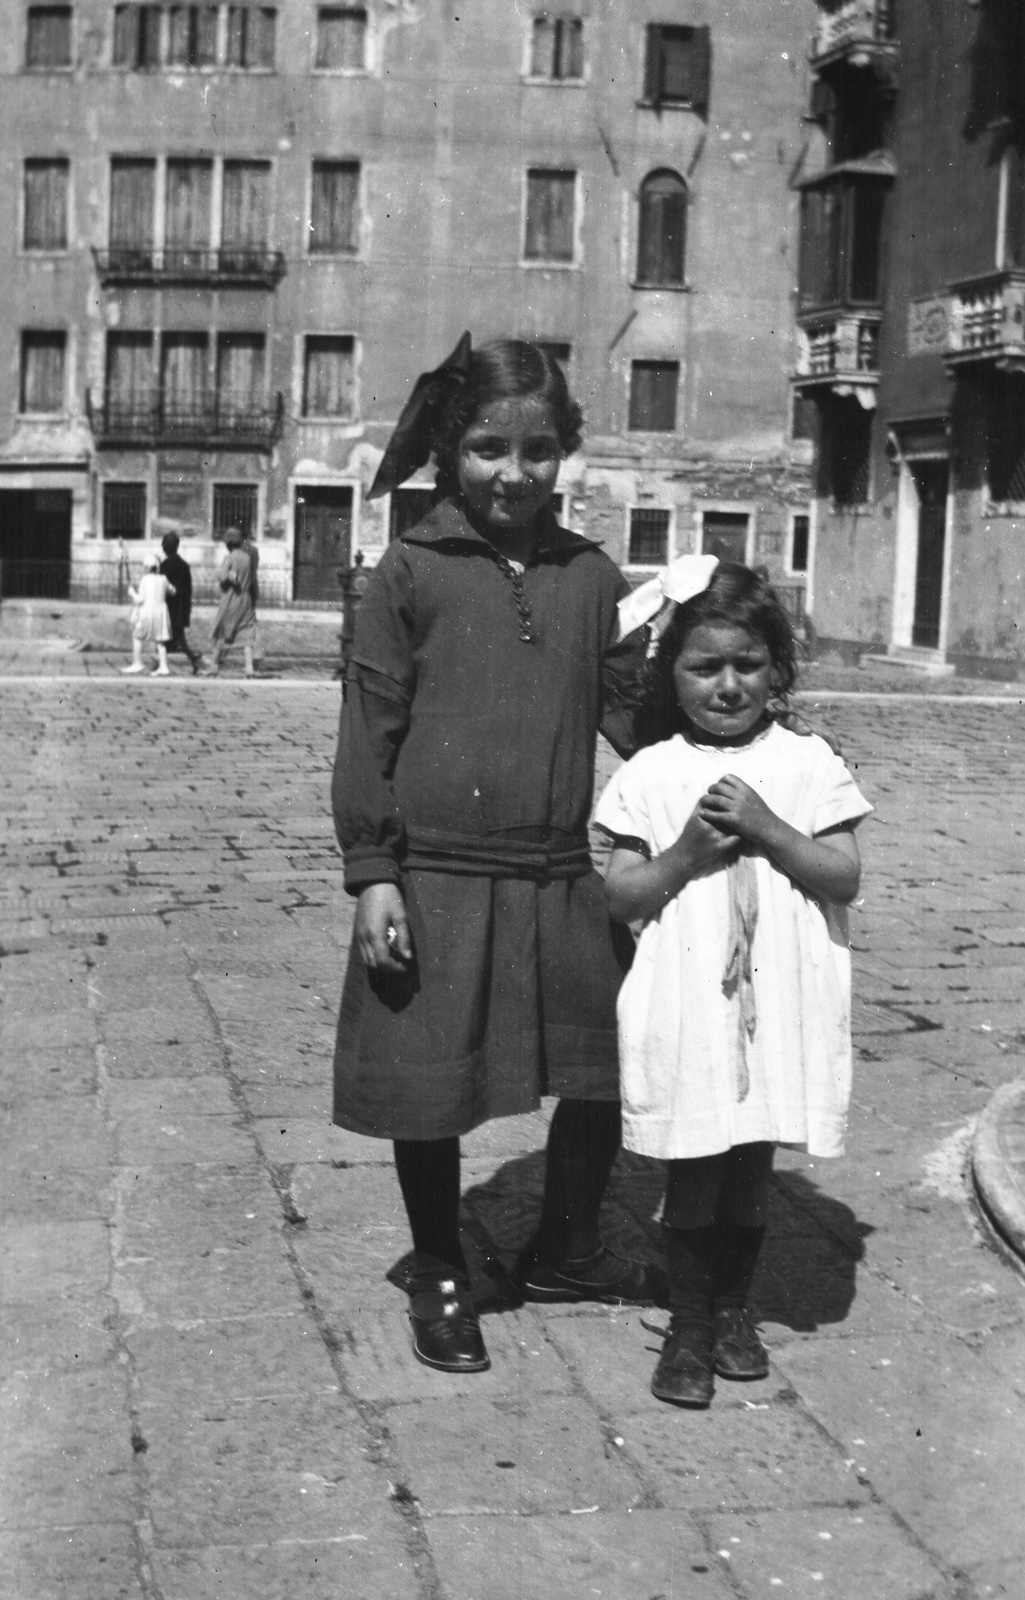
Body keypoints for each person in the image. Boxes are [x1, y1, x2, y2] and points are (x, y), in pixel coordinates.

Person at [332, 335, 661, 1376]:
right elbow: (368, 729)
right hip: (436, 871)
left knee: (601, 1068)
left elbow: (629, 725)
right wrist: (373, 871)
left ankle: (564, 1238)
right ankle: (435, 1262)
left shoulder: (592, 574)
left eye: (534, 450)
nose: (511, 473)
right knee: (427, 1078)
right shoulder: (409, 569)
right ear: (446, 450)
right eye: (485, 449)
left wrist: (684, 655)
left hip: (563, 873)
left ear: (565, 451)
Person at [594, 559, 872, 1408]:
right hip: (689, 999)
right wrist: (684, 854)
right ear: (669, 674)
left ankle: (732, 1308)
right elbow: (621, 890)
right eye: (703, 667)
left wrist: (764, 826)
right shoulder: (650, 771)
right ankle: (683, 1321)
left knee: (750, 1157)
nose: (725, 685)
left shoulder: (808, 762)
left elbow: (842, 875)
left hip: (777, 999)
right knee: (695, 1160)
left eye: (746, 666)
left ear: (776, 671)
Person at [201, 526, 260, 676]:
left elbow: (222, 576)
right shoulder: (247, 558)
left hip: (231, 599)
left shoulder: (230, 557)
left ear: (228, 543)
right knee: (247, 631)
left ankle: (214, 665)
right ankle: (249, 667)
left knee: (224, 631)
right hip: (245, 599)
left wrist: (229, 578)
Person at [121, 552, 175, 676]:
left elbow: (140, 599)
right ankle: (163, 666)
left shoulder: (145, 579)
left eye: (145, 566)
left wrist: (132, 593)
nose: (144, 569)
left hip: (147, 612)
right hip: (161, 613)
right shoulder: (163, 579)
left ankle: (137, 663)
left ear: (148, 567)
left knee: (137, 636)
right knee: (160, 640)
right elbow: (173, 591)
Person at [159, 532, 203, 674]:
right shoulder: (184, 565)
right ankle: (161, 663)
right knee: (173, 637)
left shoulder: (164, 566)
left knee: (173, 638)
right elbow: (188, 589)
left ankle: (193, 658)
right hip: (181, 607)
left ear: (165, 548)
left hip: (169, 607)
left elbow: (162, 588)